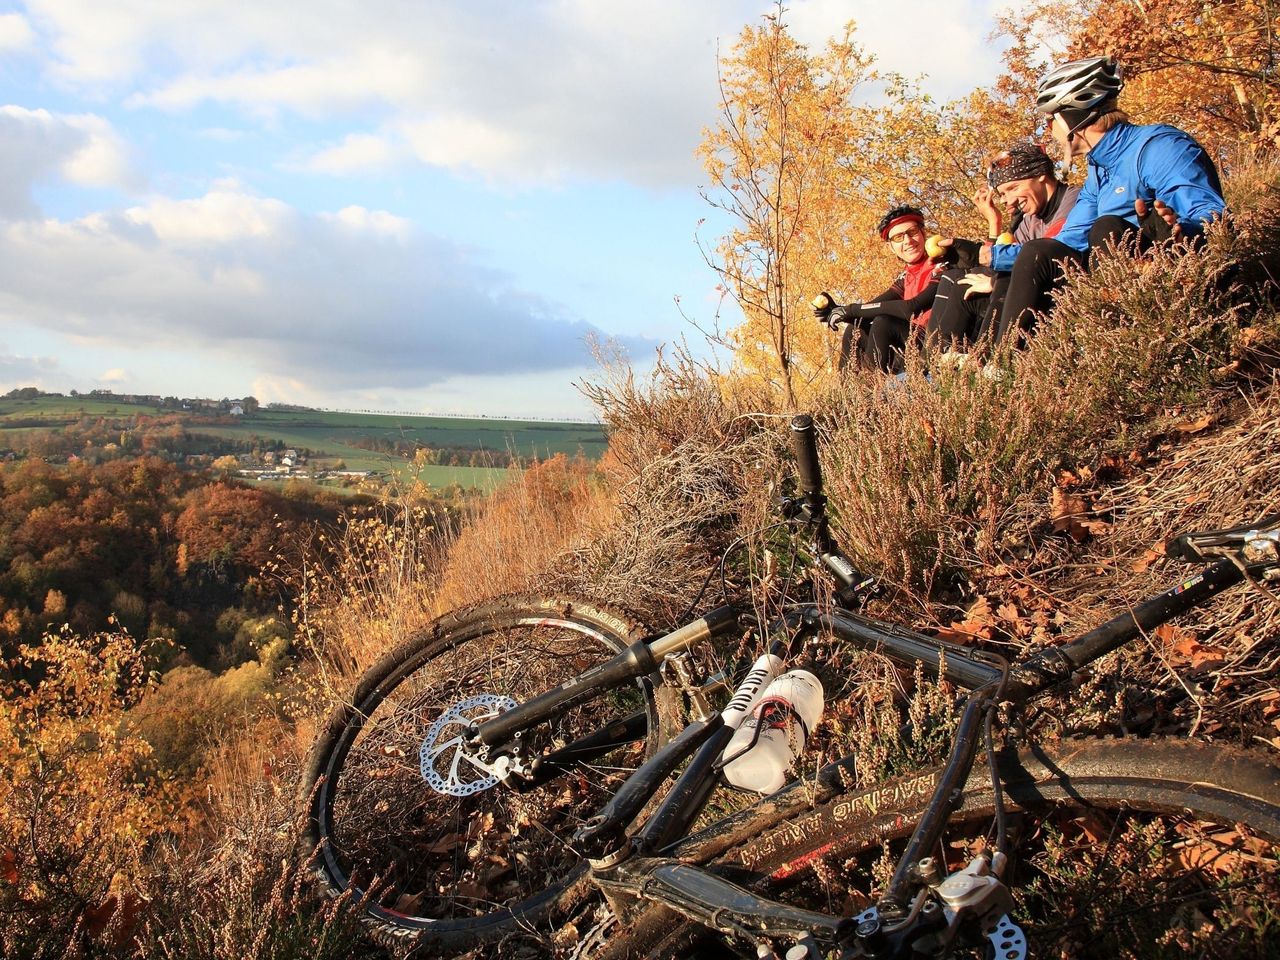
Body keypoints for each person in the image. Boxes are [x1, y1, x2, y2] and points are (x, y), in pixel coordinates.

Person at [995, 56, 1227, 345]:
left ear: (1073, 115)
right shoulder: (1098, 170)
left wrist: (1180, 229)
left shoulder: (1159, 146)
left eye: (1050, 119)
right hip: (1125, 281)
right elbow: (1069, 240)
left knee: (1107, 228)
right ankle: (1001, 367)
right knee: (1039, 251)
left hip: (1185, 279)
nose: (1049, 130)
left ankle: (1137, 342)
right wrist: (989, 255)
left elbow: (1211, 215)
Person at [927, 143, 1081, 350]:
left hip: (1066, 291)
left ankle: (992, 362)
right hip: (1034, 291)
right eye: (1003, 194)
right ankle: (945, 362)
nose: (1009, 201)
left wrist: (979, 256)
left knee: (1004, 280)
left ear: (1041, 175)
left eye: (1012, 188)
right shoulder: (1030, 219)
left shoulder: (1074, 200)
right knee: (966, 285)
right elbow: (1010, 255)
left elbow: (1041, 253)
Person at [814, 205, 978, 373]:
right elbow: (871, 307)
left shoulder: (942, 263)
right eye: (899, 237)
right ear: (891, 247)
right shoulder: (905, 277)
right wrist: (837, 311)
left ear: (923, 234)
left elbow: (911, 307)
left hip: (934, 344)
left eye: (912, 232)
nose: (908, 241)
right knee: (855, 329)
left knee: (884, 323)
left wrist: (850, 310)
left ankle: (872, 391)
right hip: (910, 344)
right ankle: (849, 396)